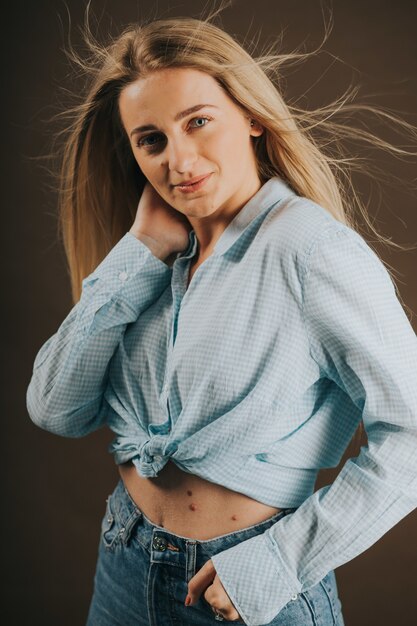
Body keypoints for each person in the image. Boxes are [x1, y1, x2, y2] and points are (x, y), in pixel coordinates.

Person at [26, 7, 417, 626]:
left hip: (244, 586)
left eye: (198, 122)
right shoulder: (150, 253)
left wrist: (277, 564)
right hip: (124, 560)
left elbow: (412, 435)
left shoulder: (312, 252)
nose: (178, 161)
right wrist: (140, 252)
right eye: (151, 139)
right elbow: (55, 408)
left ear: (253, 118)